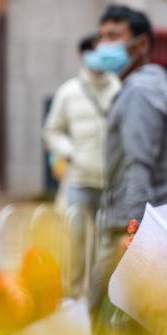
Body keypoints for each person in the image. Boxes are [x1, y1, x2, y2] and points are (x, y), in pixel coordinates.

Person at [87, 5, 167, 331]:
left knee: (107, 326)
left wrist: (131, 232)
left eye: (114, 36)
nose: (104, 45)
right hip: (147, 225)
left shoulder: (139, 95)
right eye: (101, 36)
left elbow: (137, 165)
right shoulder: (149, 89)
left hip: (130, 229)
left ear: (141, 45)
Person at [42, 33, 121, 296]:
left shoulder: (118, 89)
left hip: (111, 182)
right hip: (79, 181)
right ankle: (72, 294)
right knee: (75, 241)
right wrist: (71, 153)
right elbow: (52, 130)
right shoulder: (68, 92)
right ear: (82, 56)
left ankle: (100, 299)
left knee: (107, 245)